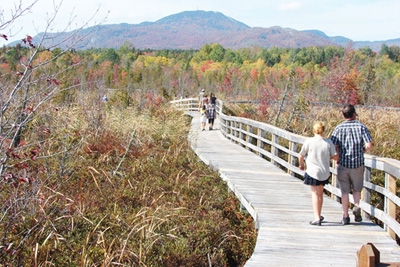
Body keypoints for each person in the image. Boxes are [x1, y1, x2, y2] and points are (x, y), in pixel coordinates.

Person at [331, 104, 373, 225]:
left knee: (344, 191)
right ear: (354, 114)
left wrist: (338, 157)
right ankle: (356, 206)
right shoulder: (361, 126)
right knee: (357, 189)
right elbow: (369, 144)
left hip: (343, 164)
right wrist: (362, 151)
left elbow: (334, 146)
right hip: (358, 164)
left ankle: (345, 217)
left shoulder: (338, 128)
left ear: (343, 115)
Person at [299, 122, 338, 226]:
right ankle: (319, 215)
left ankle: (316, 218)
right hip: (324, 172)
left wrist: (301, 165)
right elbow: (335, 156)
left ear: (314, 130)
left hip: (312, 171)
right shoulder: (328, 142)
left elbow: (301, 156)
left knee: (314, 194)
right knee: (320, 194)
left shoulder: (309, 141)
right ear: (323, 130)